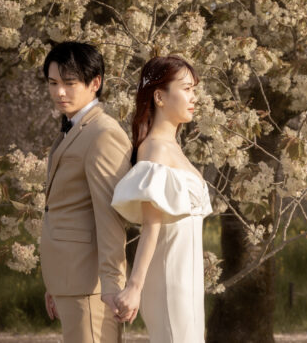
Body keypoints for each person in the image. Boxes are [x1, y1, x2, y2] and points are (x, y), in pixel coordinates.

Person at [110, 55, 212, 343]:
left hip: (187, 280)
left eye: (194, 89)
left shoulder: (172, 148)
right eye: (187, 89)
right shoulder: (155, 150)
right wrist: (134, 287)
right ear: (159, 97)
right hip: (170, 280)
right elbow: (151, 227)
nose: (194, 97)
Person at [39, 41, 132, 343]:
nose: (59, 92)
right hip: (69, 279)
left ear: (95, 83)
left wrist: (111, 284)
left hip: (92, 285)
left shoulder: (103, 134)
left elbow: (111, 216)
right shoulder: (74, 127)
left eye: (69, 83)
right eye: (53, 83)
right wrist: (55, 283)